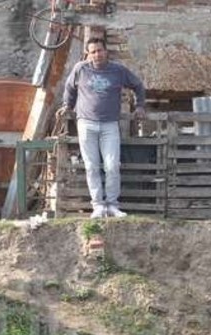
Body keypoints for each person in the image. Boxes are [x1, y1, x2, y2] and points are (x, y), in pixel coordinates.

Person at [60, 37, 146, 219]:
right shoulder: (81, 69)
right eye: (93, 52)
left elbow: (138, 85)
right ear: (88, 54)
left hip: (110, 125)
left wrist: (140, 106)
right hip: (86, 123)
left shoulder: (118, 70)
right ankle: (98, 205)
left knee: (112, 165)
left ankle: (112, 205)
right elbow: (69, 88)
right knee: (91, 166)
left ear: (106, 51)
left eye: (99, 50)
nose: (97, 54)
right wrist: (67, 105)